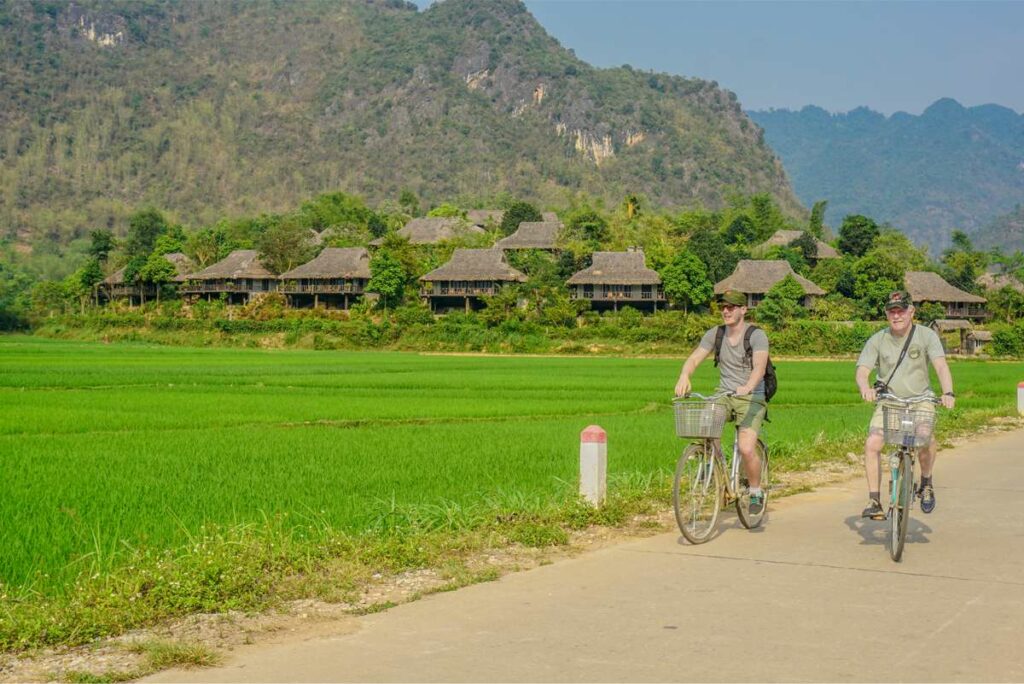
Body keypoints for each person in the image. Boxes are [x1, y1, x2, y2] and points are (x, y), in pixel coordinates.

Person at [856, 290, 955, 520]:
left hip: (921, 399)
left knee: (925, 436)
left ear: (912, 312)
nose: (897, 315)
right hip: (890, 399)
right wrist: (865, 388)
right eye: (892, 311)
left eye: (901, 310)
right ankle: (874, 499)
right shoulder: (878, 339)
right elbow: (862, 370)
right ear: (887, 314)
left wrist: (948, 392)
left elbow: (940, 366)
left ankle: (927, 482)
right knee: (873, 443)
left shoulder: (926, 336)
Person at [674, 290, 770, 514]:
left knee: (746, 448)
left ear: (743, 310)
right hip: (724, 394)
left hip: (752, 396)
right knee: (706, 425)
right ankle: (715, 465)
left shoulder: (756, 335)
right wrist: (684, 375)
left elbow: (759, 367)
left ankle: (755, 490)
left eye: (731, 307)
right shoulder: (715, 334)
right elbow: (696, 357)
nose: (725, 311)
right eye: (722, 307)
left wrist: (748, 386)